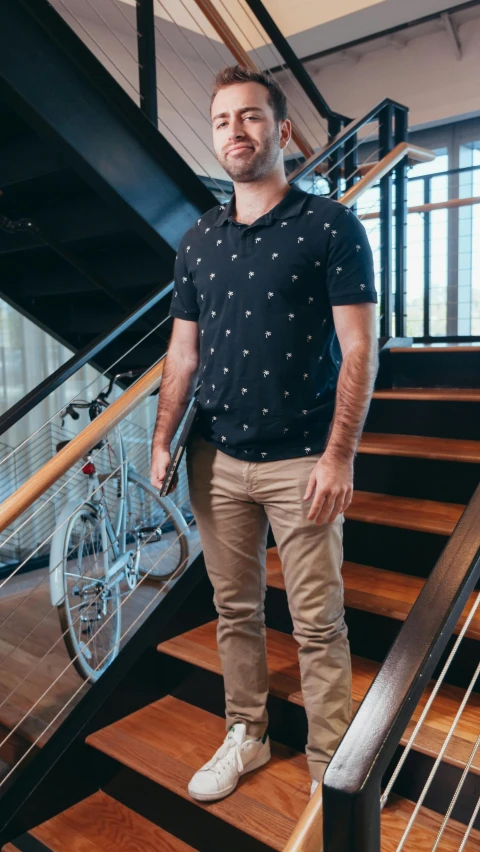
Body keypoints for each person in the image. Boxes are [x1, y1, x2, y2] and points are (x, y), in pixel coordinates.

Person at [151, 65, 378, 803]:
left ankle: (329, 767)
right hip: (214, 460)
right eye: (222, 121)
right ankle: (246, 735)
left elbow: (359, 349)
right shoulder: (197, 242)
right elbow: (182, 353)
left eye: (250, 118)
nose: (235, 132)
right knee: (234, 611)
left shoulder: (330, 227)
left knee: (318, 623)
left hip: (304, 461)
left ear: (281, 131)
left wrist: (341, 454)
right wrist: (162, 441)